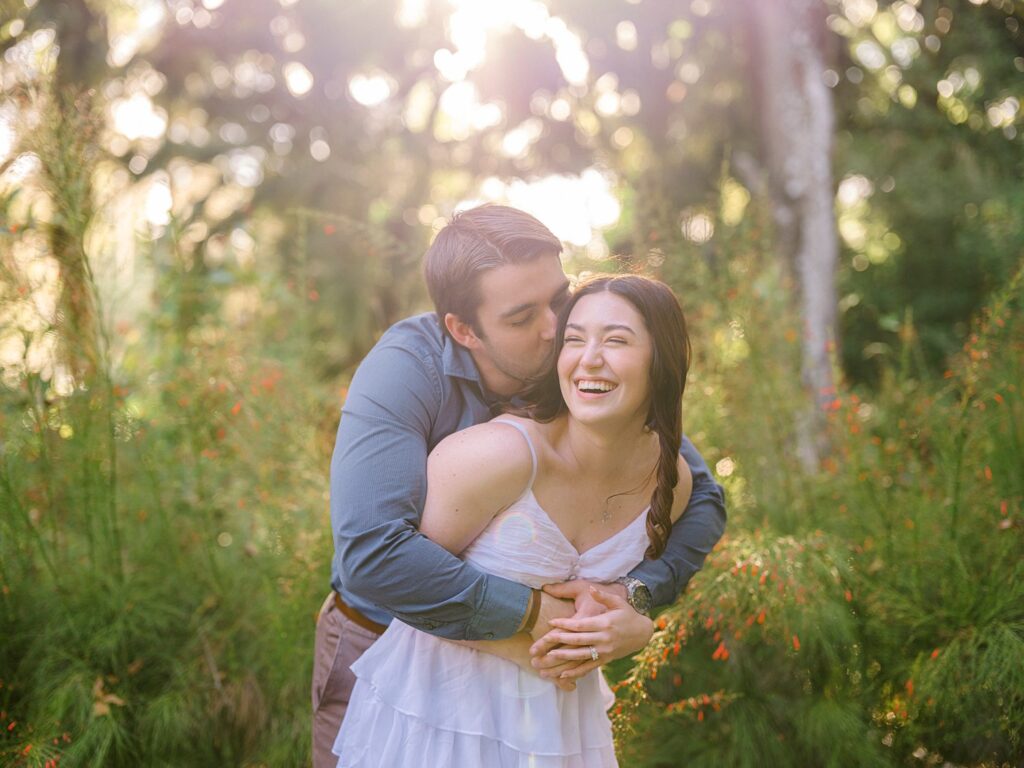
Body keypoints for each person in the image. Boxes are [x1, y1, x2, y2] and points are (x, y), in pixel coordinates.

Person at [312, 205, 726, 767]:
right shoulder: (406, 371)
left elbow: (700, 492)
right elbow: (372, 555)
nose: (557, 329)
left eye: (559, 298)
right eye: (522, 316)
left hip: (543, 685)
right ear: (463, 329)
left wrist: (637, 596)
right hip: (386, 642)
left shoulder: (581, 366)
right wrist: (532, 615)